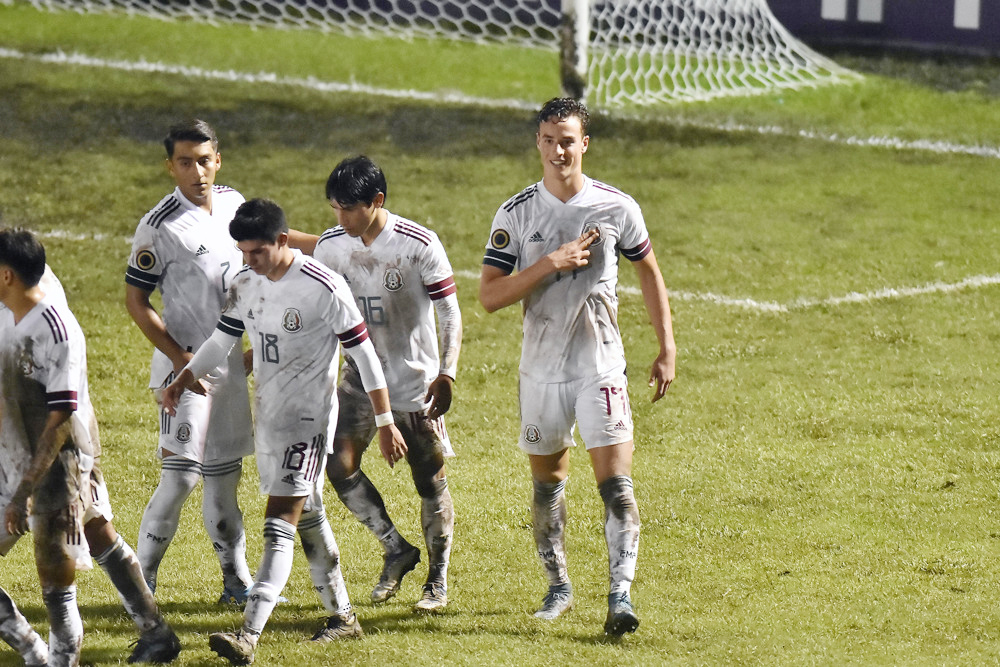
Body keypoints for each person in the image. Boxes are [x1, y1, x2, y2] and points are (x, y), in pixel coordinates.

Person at [161, 199, 408, 665]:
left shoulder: (323, 287)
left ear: (281, 240)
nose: (247, 260)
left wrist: (385, 419)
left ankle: (248, 634)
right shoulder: (246, 283)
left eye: (256, 251)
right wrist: (184, 378)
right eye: (242, 251)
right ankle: (344, 617)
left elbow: (365, 355)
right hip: (269, 419)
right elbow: (221, 341)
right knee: (309, 516)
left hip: (309, 423)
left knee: (279, 522)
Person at [479, 98, 676, 636]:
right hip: (541, 371)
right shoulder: (516, 213)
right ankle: (559, 587)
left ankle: (620, 596)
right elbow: (490, 296)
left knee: (617, 485)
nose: (558, 149)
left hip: (601, 367)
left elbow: (650, 273)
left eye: (568, 139)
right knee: (548, 486)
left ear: (584, 143)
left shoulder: (617, 207)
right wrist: (550, 263)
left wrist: (666, 347)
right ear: (537, 143)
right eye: (548, 139)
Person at [288, 155, 461, 612]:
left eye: (349, 208)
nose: (340, 218)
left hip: (414, 386)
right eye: (334, 209)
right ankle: (396, 547)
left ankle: (436, 582)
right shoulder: (332, 247)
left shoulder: (418, 244)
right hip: (358, 381)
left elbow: (449, 312)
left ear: (376, 201)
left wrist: (447, 372)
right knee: (338, 465)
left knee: (429, 480)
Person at [0, 228, 181, 665]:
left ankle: (52, 658)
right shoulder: (16, 294)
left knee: (60, 561)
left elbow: (59, 411)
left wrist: (26, 487)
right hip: (14, 446)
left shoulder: (50, 318)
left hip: (55, 453)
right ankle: (146, 633)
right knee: (95, 529)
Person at [125, 119, 255, 602]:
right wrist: (182, 360)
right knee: (179, 478)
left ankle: (235, 579)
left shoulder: (235, 204)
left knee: (225, 479)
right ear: (170, 167)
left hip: (229, 368)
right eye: (185, 162)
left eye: (204, 160)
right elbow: (136, 302)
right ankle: (140, 584)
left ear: (217, 159)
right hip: (183, 371)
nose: (196, 171)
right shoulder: (159, 226)